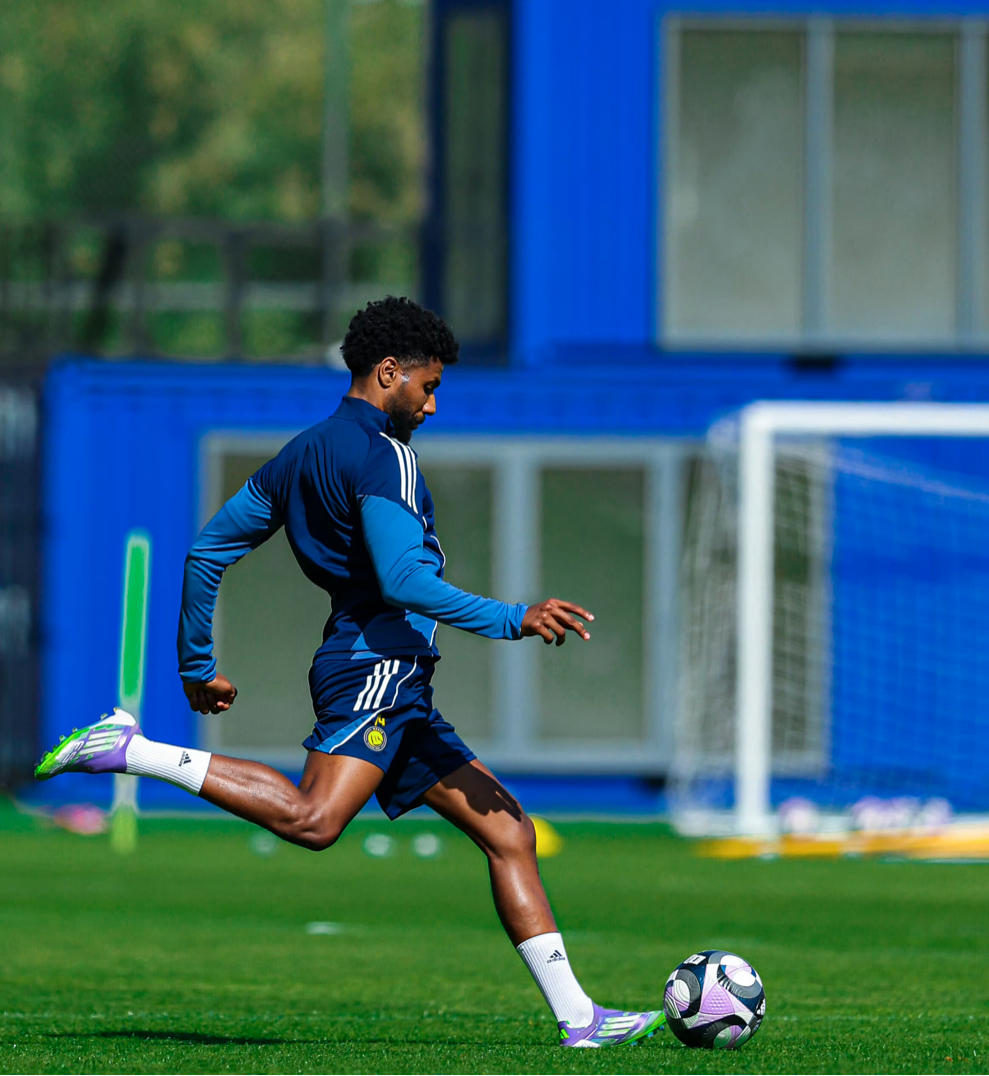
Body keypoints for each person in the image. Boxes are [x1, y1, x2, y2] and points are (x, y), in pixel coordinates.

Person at [35, 296, 665, 1048]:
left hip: (392, 677)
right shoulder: (384, 455)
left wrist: (197, 666)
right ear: (388, 372)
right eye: (428, 387)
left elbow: (207, 552)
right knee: (314, 820)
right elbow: (402, 580)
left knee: (509, 832)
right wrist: (514, 617)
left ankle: (580, 1019)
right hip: (378, 666)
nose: (432, 406)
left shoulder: (302, 452)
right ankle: (130, 749)